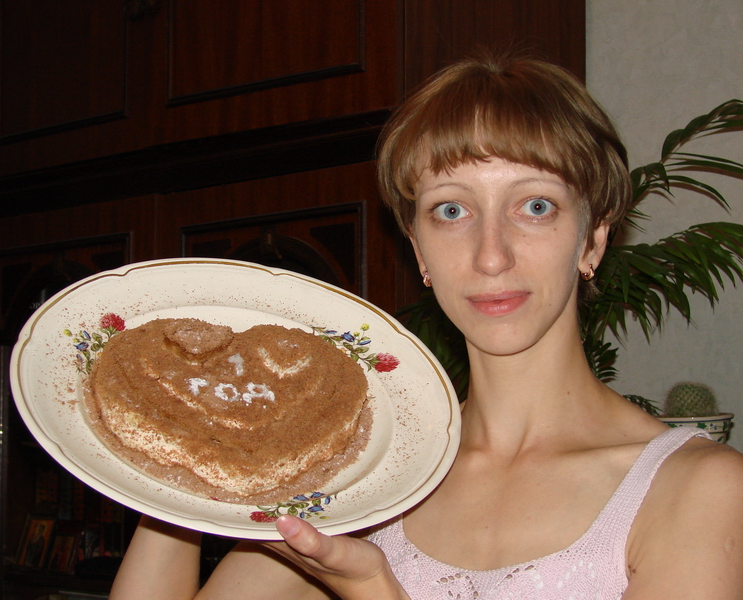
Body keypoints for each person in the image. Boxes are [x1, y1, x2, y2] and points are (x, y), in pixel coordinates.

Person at [109, 51, 743, 599]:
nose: (490, 256)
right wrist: (182, 450)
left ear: (593, 238)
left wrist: (372, 588)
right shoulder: (357, 476)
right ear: (418, 250)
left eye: (535, 205)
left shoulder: (696, 489)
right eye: (451, 211)